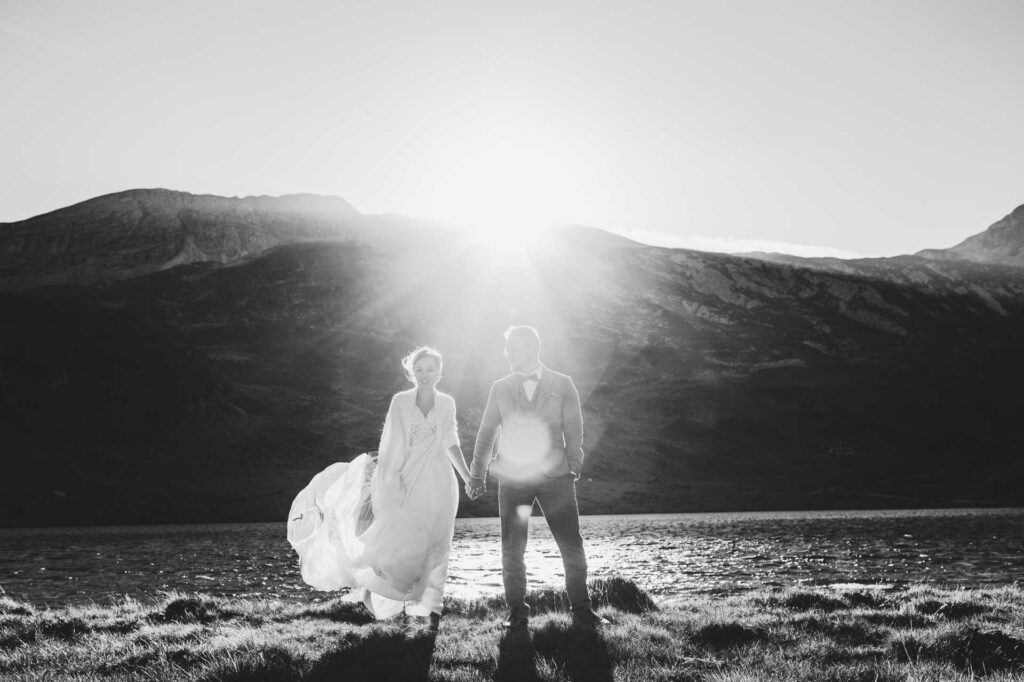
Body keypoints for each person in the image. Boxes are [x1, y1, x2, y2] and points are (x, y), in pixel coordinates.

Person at [288, 346, 474, 632]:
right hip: (405, 478)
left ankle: (431, 612)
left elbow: (451, 442)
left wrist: (468, 477)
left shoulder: (447, 403)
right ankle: (380, 594)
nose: (425, 375)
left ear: (439, 372)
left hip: (439, 481)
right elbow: (390, 443)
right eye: (419, 369)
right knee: (401, 543)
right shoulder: (400, 401)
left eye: (430, 370)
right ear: (412, 371)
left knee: (437, 544)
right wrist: (389, 478)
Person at [467, 325, 609, 631]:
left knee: (571, 542)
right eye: (507, 349)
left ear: (532, 347)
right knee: (512, 546)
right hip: (513, 478)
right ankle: (517, 611)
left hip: (556, 477)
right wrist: (476, 474)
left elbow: (574, 425)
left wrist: (574, 463)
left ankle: (582, 609)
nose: (507, 354)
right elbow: (487, 431)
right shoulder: (500, 387)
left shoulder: (563, 383)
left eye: (513, 349)